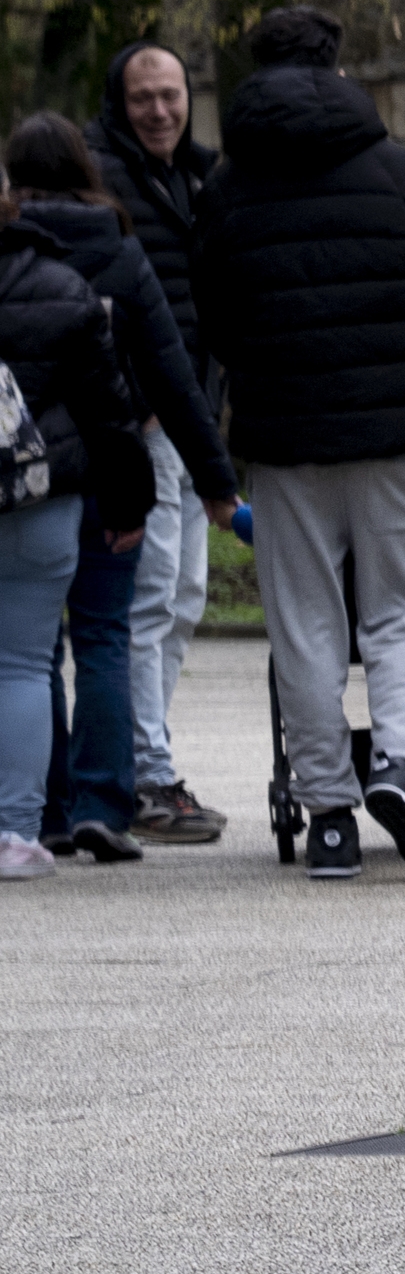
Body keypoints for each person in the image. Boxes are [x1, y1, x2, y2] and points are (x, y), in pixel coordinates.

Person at [193, 4, 405, 880]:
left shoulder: (227, 190)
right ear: (338, 68)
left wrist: (261, 378)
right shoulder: (400, 173)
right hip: (394, 431)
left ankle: (328, 814)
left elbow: (214, 315)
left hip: (283, 438)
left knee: (304, 620)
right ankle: (398, 760)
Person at [4, 114, 240, 859]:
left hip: (27, 480)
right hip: (110, 469)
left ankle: (42, 808)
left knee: (32, 653)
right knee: (106, 635)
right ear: (86, 167)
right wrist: (216, 481)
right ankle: (103, 802)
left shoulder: (9, 255)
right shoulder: (119, 247)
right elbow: (171, 374)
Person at [84, 42, 228, 845]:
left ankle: (151, 759)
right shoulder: (106, 177)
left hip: (190, 416)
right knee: (150, 600)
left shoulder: (197, 178)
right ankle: (145, 774)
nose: (161, 110)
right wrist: (137, 407)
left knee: (184, 596)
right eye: (144, 97)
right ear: (121, 101)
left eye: (170, 94)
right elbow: (98, 306)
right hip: (145, 425)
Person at [0, 190, 149, 879]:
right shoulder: (62, 287)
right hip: (42, 501)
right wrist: (127, 505)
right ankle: (15, 834)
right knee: (24, 666)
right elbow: (109, 413)